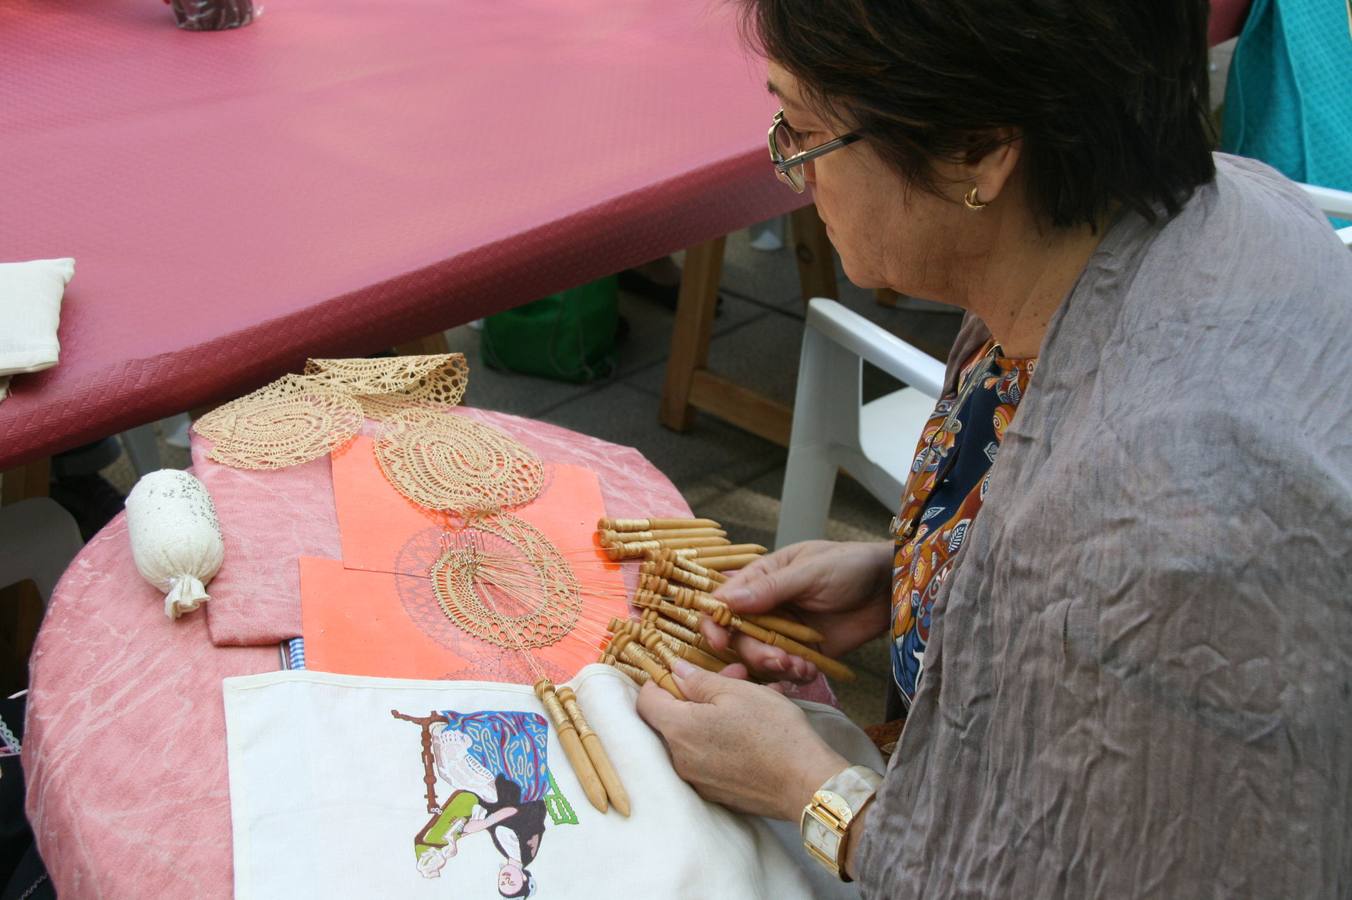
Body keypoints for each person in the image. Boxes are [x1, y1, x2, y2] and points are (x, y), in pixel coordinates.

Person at [636, 1, 1352, 896]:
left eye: (807, 132)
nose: (793, 170)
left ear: (978, 149)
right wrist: (917, 577)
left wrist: (813, 790)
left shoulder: (1169, 532)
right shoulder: (1175, 218)